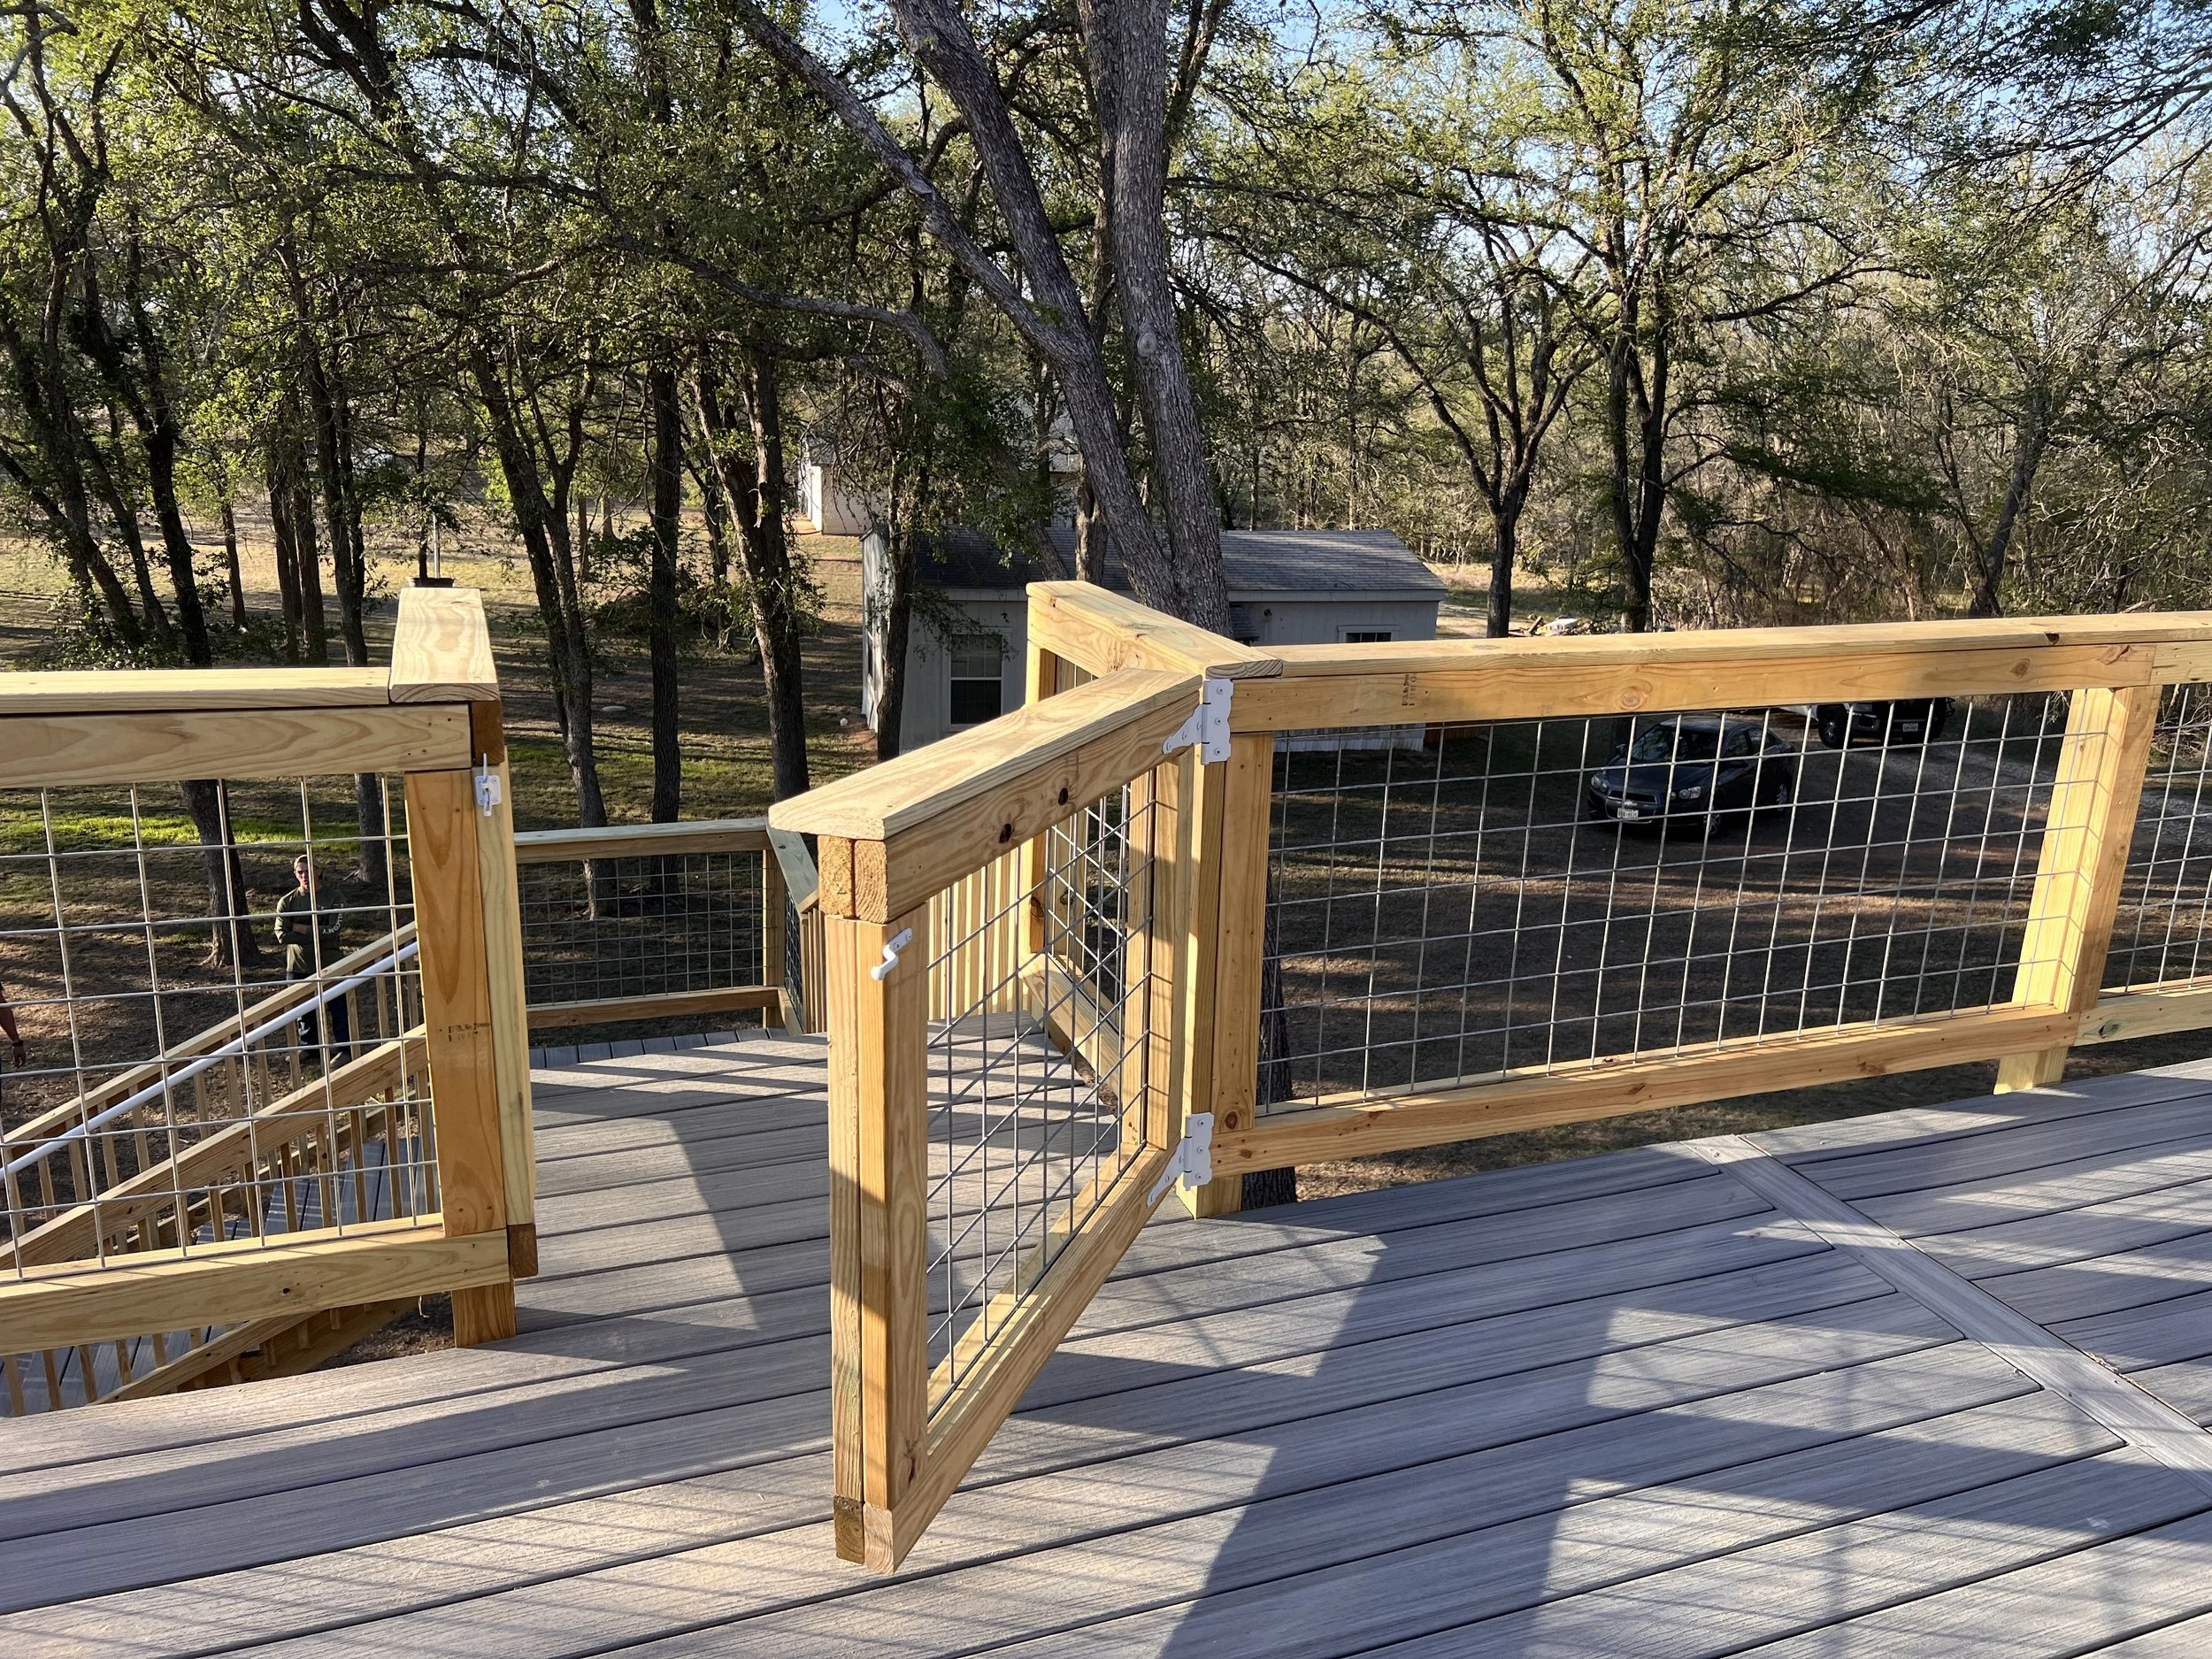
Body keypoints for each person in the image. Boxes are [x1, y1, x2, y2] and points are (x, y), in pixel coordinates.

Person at [276, 854, 350, 1065]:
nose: (304, 876)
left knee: (338, 1008)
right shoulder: (287, 901)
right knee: (303, 1010)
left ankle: (345, 1049)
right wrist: (317, 931)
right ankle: (309, 1048)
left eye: (309, 871)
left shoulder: (334, 898)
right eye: (300, 872)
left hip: (331, 963)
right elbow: (281, 934)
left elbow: (334, 929)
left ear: (319, 871)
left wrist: (300, 928)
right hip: (298, 965)